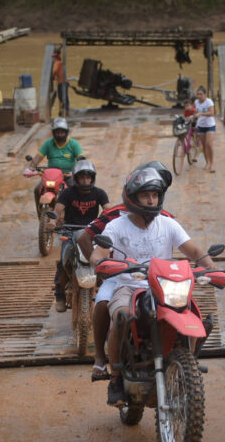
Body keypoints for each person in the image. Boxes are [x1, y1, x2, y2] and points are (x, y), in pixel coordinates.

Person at [89, 167, 216, 406]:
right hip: (128, 286)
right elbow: (98, 254)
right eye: (146, 195)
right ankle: (115, 377)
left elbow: (195, 251)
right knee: (122, 316)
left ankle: (187, 363)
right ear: (133, 197)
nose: (151, 200)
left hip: (164, 285)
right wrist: (102, 261)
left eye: (155, 195)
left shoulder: (168, 224)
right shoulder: (117, 226)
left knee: (193, 315)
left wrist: (212, 267)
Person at [78, 161, 174, 381]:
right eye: (146, 192)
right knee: (102, 303)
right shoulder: (115, 215)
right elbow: (85, 237)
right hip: (119, 275)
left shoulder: (165, 218)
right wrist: (101, 271)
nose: (152, 198)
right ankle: (101, 358)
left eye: (157, 191)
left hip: (154, 276)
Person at [47, 160, 110, 312]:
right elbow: (57, 210)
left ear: (92, 178)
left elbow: (108, 210)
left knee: (105, 262)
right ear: (76, 178)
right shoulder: (68, 193)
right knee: (63, 262)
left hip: (92, 234)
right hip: (70, 231)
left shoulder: (99, 193)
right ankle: (59, 293)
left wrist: (109, 222)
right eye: (82, 178)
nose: (85, 180)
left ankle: (107, 290)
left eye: (88, 177)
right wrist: (53, 221)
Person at [28, 117, 84, 213]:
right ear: (54, 133)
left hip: (67, 175)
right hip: (51, 176)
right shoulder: (48, 143)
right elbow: (38, 156)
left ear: (66, 132)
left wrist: (77, 168)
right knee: (37, 189)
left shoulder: (74, 144)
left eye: (62, 132)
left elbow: (80, 158)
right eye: (57, 132)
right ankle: (40, 214)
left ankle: (75, 214)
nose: (60, 134)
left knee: (75, 190)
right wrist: (31, 167)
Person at [194, 86, 216, 173]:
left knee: (209, 144)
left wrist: (201, 114)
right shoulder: (196, 102)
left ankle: (212, 164)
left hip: (210, 125)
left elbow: (212, 113)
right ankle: (207, 162)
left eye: (201, 94)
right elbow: (195, 111)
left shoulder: (209, 102)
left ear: (205, 94)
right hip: (200, 125)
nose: (199, 96)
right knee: (203, 145)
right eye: (198, 94)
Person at [52, 49, 69, 115]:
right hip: (65, 82)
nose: (52, 59)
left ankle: (64, 110)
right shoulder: (60, 63)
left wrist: (53, 76)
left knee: (61, 97)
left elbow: (55, 71)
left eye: (53, 58)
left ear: (55, 58)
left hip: (62, 82)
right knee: (65, 97)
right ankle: (66, 110)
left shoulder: (57, 63)